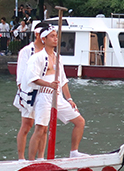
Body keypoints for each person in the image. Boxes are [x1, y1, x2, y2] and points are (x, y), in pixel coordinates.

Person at [27, 25, 86, 159]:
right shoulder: (37, 57)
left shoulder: (58, 57)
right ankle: (30, 161)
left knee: (80, 121)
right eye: (52, 36)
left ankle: (74, 152)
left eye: (56, 36)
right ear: (44, 39)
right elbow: (33, 78)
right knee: (40, 129)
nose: (55, 39)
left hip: (57, 96)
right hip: (44, 95)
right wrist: (49, 84)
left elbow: (63, 80)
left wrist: (69, 99)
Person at [14, 21, 48, 161]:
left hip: (45, 92)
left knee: (43, 127)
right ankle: (21, 157)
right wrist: (23, 91)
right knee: (27, 125)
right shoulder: (27, 51)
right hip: (29, 91)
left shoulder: (49, 52)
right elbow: (21, 75)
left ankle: (40, 157)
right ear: (37, 34)